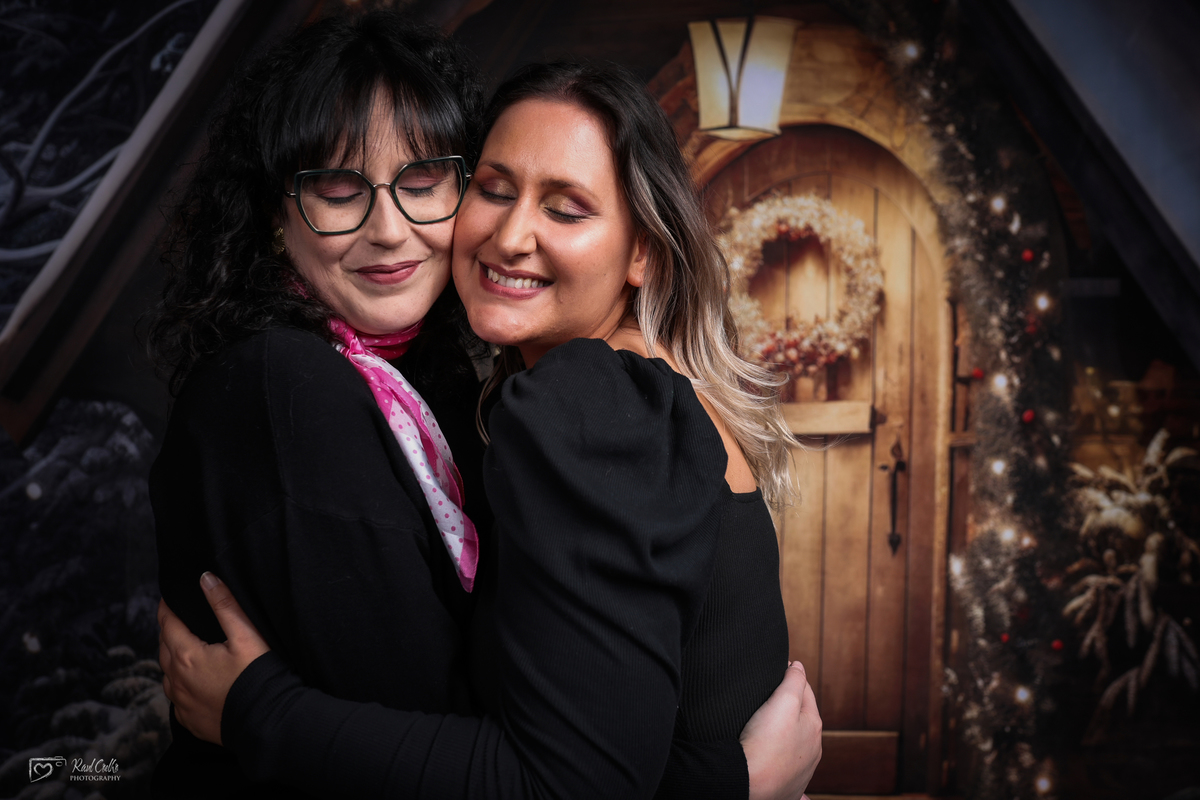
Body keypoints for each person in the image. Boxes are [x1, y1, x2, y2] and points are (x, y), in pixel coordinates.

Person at [157, 58, 823, 800]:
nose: (510, 236)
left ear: (642, 251)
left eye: (566, 209)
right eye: (496, 190)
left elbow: (572, 785)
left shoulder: (587, 400)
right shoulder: (634, 391)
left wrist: (259, 712)